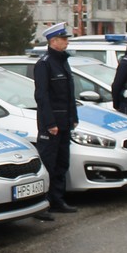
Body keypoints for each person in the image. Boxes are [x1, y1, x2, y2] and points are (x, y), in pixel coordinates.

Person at [32, 22, 79, 214]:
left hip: (65, 122)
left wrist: (73, 117)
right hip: (51, 125)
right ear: (53, 41)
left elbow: (69, 94)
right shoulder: (44, 64)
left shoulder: (63, 62)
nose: (66, 42)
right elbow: (42, 96)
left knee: (62, 163)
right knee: (48, 164)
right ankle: (42, 205)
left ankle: (57, 200)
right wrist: (50, 123)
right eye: (63, 39)